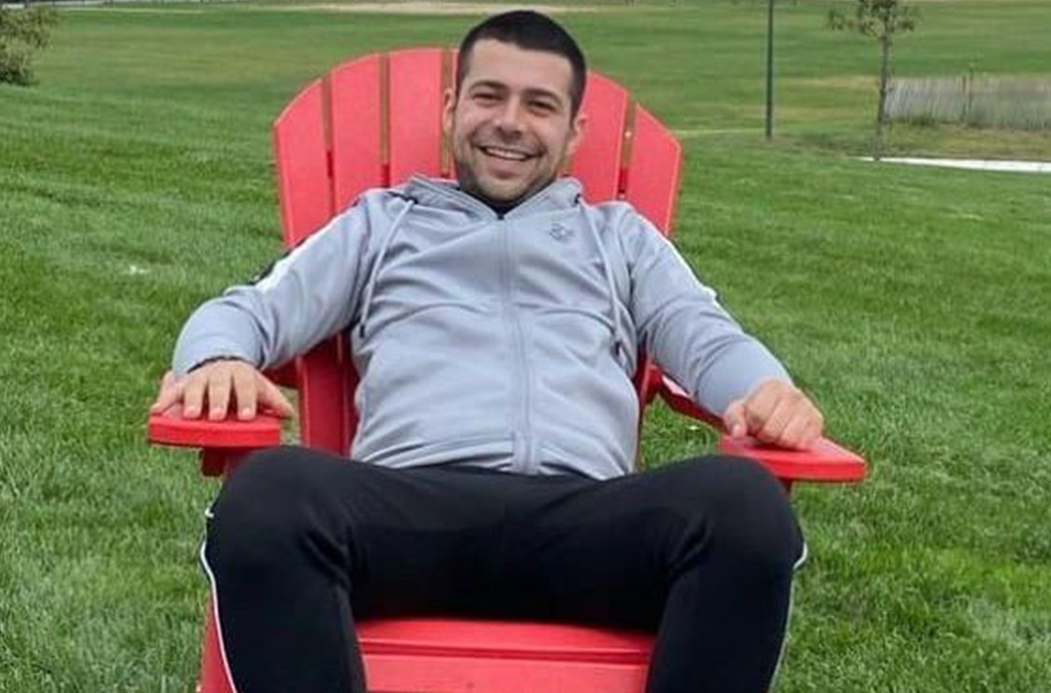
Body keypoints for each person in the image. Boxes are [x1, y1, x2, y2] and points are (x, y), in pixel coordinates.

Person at [151, 10, 825, 693]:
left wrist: (766, 391)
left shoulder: (620, 240)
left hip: (588, 522)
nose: (509, 122)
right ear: (452, 109)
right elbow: (250, 308)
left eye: (539, 106)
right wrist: (217, 358)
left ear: (573, 132)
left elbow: (706, 335)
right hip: (407, 515)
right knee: (266, 496)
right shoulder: (381, 224)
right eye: (488, 96)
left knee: (746, 509)